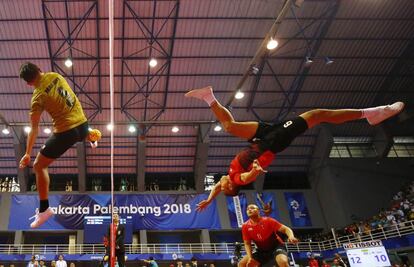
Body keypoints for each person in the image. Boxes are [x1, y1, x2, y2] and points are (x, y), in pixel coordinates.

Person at [185, 86, 405, 210]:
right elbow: (246, 177)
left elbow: (218, 189)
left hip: (260, 139)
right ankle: (373, 113)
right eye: (223, 187)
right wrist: (255, 171)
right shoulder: (239, 179)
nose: (219, 184)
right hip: (274, 142)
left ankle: (208, 96)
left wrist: (210, 199)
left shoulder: (229, 179)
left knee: (231, 127)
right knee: (317, 115)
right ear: (231, 187)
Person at [18, 62, 101, 228]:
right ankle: (89, 135)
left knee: (38, 166)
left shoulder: (37, 96)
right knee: (78, 128)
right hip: (82, 122)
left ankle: (44, 210)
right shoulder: (56, 76)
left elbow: (34, 129)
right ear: (39, 69)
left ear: (29, 83)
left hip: (66, 132)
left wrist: (27, 153)